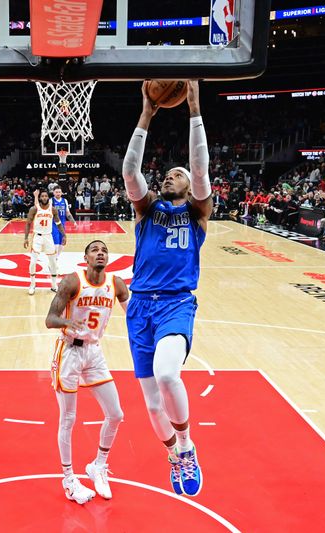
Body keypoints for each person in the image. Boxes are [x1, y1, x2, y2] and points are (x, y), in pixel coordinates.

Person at [121, 80, 210, 497]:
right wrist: (146, 114)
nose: (171, 177)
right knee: (153, 404)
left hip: (176, 304)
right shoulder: (146, 209)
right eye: (168, 174)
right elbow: (129, 170)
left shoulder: (197, 214)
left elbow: (200, 169)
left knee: (168, 372)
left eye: (178, 175)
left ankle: (188, 445)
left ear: (189, 187)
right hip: (139, 308)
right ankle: (173, 453)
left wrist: (193, 108)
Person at [45, 240, 129, 504]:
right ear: (86, 257)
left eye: (104, 249)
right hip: (69, 351)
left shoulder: (116, 284)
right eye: (95, 250)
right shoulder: (72, 281)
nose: (100, 252)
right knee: (68, 418)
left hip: (94, 352)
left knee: (115, 414)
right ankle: (69, 480)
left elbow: (135, 314)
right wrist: (68, 321)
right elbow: (50, 319)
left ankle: (98, 466)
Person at [24, 189, 66, 295]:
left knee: (53, 262)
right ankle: (32, 284)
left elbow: (59, 223)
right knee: (33, 262)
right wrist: (25, 238)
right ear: (39, 198)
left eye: (45, 196)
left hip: (48, 237)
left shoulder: (53, 209)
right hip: (37, 237)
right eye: (42, 196)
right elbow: (28, 223)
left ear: (48, 197)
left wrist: (64, 235)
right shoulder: (34, 209)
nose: (44, 198)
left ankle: (53, 285)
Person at [51, 185, 77, 261]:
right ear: (53, 193)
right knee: (55, 242)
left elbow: (68, 213)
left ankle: (56, 257)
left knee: (62, 243)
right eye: (56, 192)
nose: (58, 193)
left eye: (59, 192)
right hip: (54, 224)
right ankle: (54, 258)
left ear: (61, 192)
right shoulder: (51, 201)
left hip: (62, 224)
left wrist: (73, 222)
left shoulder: (64, 201)